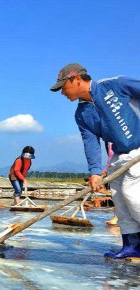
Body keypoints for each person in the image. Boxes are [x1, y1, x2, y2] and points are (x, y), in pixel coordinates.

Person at [50, 63, 140, 259]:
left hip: (138, 148)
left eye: (63, 87)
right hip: (119, 154)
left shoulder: (116, 85)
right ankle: (132, 246)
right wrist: (95, 172)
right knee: (120, 200)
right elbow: (91, 143)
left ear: (76, 79)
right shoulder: (81, 114)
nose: (62, 93)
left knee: (132, 194)